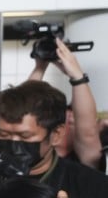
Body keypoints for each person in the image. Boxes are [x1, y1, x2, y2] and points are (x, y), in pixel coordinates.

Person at [28, 35, 103, 171]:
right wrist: (40, 67)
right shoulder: (31, 155)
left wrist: (77, 76)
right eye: (66, 116)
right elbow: (23, 111)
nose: (70, 118)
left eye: (74, 118)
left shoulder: (86, 160)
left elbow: (88, 132)